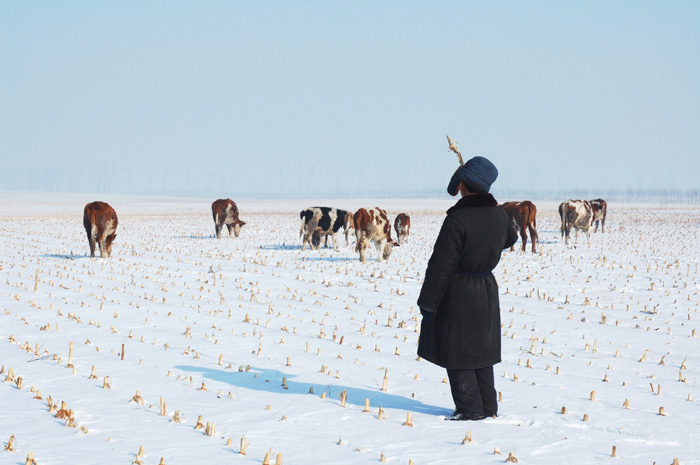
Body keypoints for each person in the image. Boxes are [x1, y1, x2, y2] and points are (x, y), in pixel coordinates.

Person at [417, 156, 517, 421]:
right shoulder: (499, 215)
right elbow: (511, 237)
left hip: (459, 291)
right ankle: (488, 407)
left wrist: (428, 303)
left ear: (464, 185)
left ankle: (469, 410)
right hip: (486, 288)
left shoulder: (458, 219)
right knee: (482, 352)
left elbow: (441, 265)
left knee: (458, 351)